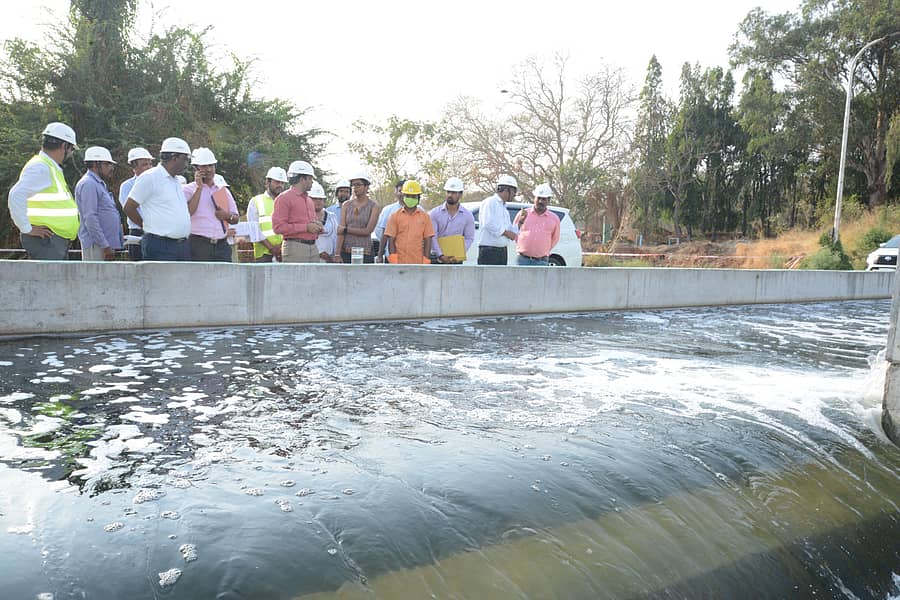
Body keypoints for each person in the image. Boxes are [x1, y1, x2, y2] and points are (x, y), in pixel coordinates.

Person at [7, 122, 79, 260]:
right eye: (71, 149)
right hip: (47, 240)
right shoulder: (41, 167)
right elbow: (16, 195)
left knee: (56, 280)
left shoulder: (48, 166)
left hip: (51, 240)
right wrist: (27, 228)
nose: (70, 154)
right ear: (64, 146)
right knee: (52, 281)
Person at [123, 137, 192, 261]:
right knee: (161, 280)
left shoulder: (175, 180)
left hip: (181, 246)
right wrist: (146, 226)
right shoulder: (150, 177)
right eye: (185, 159)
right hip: (160, 246)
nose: (187, 164)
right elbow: (129, 207)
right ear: (174, 157)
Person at [183, 148, 239, 262]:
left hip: (221, 245)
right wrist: (199, 188)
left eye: (211, 166)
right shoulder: (187, 190)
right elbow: (188, 213)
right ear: (196, 168)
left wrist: (226, 216)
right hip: (198, 244)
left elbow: (235, 218)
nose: (208, 169)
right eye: (204, 166)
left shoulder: (222, 190)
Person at [74, 146, 122, 261]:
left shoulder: (98, 184)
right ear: (96, 164)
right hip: (96, 246)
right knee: (94, 278)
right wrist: (104, 245)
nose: (111, 168)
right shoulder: (88, 184)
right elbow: (90, 218)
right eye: (107, 164)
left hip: (103, 246)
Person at [272, 160, 322, 263]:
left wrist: (317, 226)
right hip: (294, 247)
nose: (312, 182)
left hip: (313, 246)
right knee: (295, 279)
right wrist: (306, 227)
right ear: (302, 178)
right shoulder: (284, 198)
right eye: (310, 178)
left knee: (314, 279)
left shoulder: (309, 200)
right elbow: (278, 227)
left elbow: (309, 224)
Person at [384, 180, 434, 265]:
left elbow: (428, 240)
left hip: (418, 264)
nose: (410, 199)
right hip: (399, 263)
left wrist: (425, 260)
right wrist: (394, 260)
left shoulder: (425, 217)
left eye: (413, 196)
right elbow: (391, 240)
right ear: (403, 197)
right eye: (408, 196)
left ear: (418, 198)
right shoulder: (394, 216)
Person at [336, 170, 380, 263]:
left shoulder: (373, 206)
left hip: (365, 252)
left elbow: (368, 230)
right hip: (346, 251)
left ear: (366, 186)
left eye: (358, 185)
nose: (355, 188)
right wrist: (337, 253)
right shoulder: (346, 205)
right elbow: (340, 231)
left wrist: (346, 230)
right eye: (353, 185)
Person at [118, 147, 155, 260]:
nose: (149, 167)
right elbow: (129, 210)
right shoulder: (127, 186)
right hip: (138, 231)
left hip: (156, 232)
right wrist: (144, 225)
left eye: (150, 164)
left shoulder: (156, 183)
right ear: (134, 167)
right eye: (144, 164)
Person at [429, 177, 475, 263]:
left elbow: (469, 238)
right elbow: (432, 236)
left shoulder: (467, 216)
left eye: (453, 192)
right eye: (448, 192)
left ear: (460, 194)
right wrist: (441, 255)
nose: (450, 195)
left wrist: (458, 254)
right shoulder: (434, 214)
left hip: (456, 259)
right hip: (436, 259)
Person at [513, 183, 560, 266]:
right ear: (534, 198)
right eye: (538, 198)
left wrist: (543, 250)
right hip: (522, 260)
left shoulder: (554, 219)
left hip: (541, 261)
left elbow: (555, 239)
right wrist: (522, 245)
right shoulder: (523, 214)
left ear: (548, 200)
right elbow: (514, 231)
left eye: (544, 199)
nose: (540, 201)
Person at [247, 166, 287, 262]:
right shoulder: (256, 201)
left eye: (282, 183)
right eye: (277, 182)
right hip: (263, 254)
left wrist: (281, 247)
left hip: (285, 252)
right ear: (267, 182)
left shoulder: (287, 202)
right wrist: (272, 248)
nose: (280, 185)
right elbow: (253, 229)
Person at [477, 174, 518, 265]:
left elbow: (510, 230)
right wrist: (506, 233)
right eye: (514, 191)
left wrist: (520, 223)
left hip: (502, 251)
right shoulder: (490, 202)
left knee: (501, 279)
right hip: (489, 251)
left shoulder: (504, 208)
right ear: (507, 190)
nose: (514, 195)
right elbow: (488, 223)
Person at [374, 179, 405, 263]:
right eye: (400, 191)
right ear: (395, 192)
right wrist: (380, 255)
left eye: (405, 191)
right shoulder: (388, 210)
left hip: (413, 257)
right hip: (391, 257)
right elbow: (383, 234)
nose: (403, 193)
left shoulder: (420, 211)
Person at [310, 181, 339, 263]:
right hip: (311, 258)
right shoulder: (305, 217)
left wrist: (335, 255)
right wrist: (319, 252)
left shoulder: (332, 217)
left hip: (329, 259)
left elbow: (336, 237)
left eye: (320, 199)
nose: (318, 201)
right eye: (315, 199)